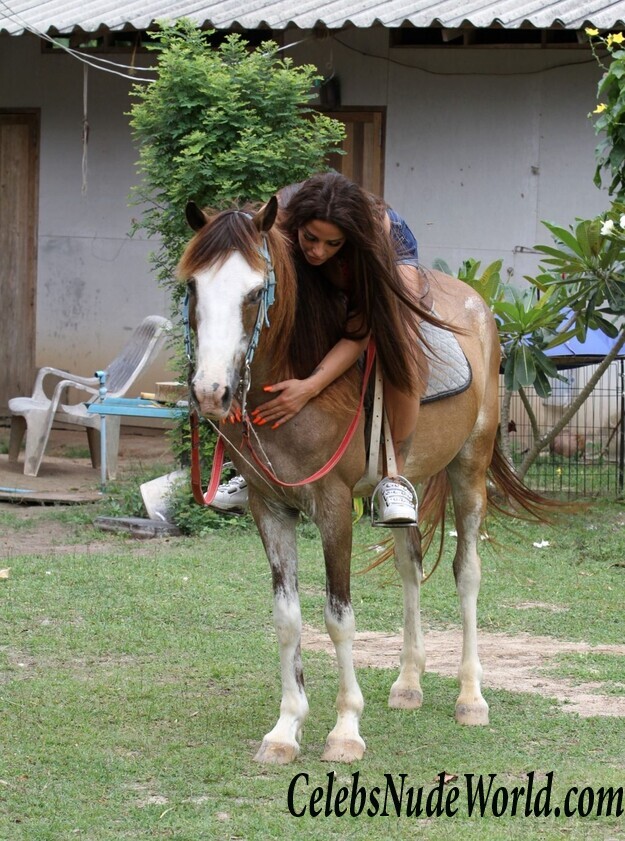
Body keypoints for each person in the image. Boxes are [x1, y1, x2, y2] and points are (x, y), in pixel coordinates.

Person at [212, 172, 431, 524]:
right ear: (296, 224)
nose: (318, 252)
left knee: (401, 338)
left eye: (332, 245)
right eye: (311, 239)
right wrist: (232, 383)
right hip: (313, 230)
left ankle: (395, 477)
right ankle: (255, 469)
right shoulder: (277, 223)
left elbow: (358, 333)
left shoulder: (368, 245)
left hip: (386, 241)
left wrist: (308, 388)